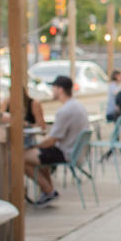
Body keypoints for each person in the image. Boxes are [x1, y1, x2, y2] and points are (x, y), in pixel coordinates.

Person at [23, 76, 89, 208]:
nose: (52, 90)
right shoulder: (78, 105)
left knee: (20, 157)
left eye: (53, 88)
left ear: (60, 89)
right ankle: (48, 191)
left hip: (66, 152)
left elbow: (52, 141)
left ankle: (48, 191)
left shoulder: (65, 110)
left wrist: (34, 146)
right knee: (38, 155)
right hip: (75, 151)